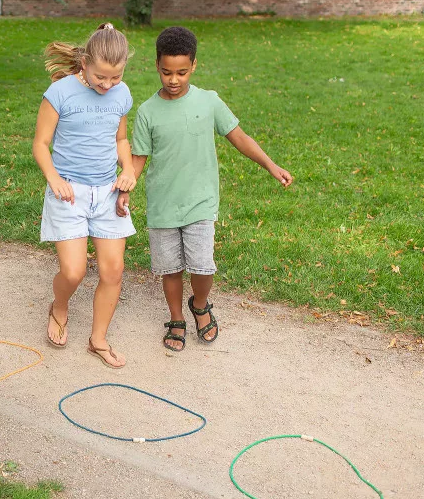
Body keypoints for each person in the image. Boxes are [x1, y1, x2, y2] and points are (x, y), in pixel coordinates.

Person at [117, 26, 293, 351]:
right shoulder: (147, 111)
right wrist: (127, 186)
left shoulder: (209, 101)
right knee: (170, 269)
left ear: (194, 65)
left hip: (200, 201)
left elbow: (239, 137)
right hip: (163, 205)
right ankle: (176, 318)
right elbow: (138, 157)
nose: (173, 79)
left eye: (181, 72)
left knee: (201, 266)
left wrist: (271, 165)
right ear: (157, 65)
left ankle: (199, 305)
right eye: (166, 72)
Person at [32, 23, 137, 369]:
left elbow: (121, 139)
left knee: (113, 271)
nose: (107, 85)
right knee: (73, 271)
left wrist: (127, 169)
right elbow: (41, 144)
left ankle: (98, 340)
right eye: (100, 77)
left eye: (116, 77)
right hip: (69, 192)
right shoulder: (60, 92)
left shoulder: (121, 94)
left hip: (107, 193)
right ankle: (59, 306)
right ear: (85, 63)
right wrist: (53, 178)